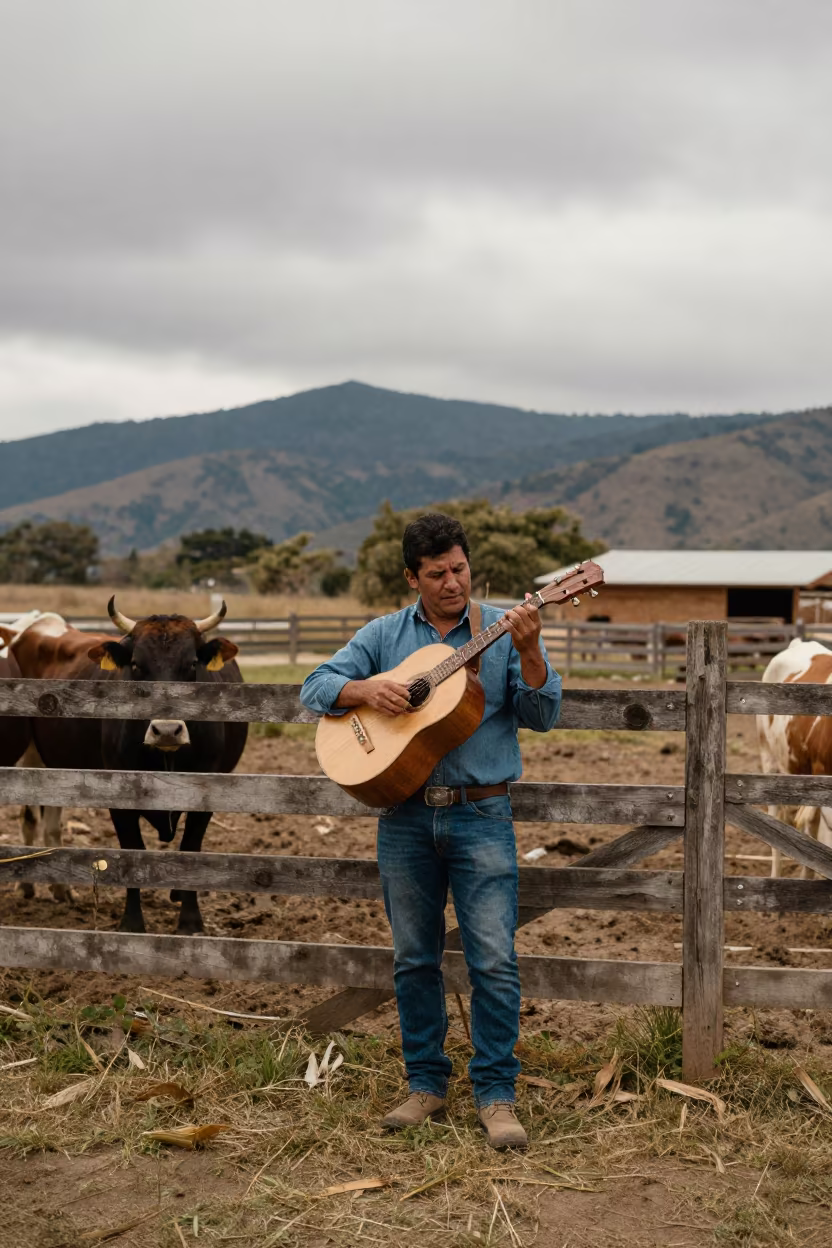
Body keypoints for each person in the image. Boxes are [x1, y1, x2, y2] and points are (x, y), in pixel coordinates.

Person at [300, 512, 561, 1149]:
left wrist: (528, 650)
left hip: (482, 814)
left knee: (494, 961)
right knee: (415, 959)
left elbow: (544, 712)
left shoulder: (503, 627)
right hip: (405, 817)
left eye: (460, 569)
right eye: (438, 573)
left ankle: (497, 1095)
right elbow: (315, 687)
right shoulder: (385, 635)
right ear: (412, 576)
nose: (452, 583)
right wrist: (365, 691)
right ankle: (426, 1086)